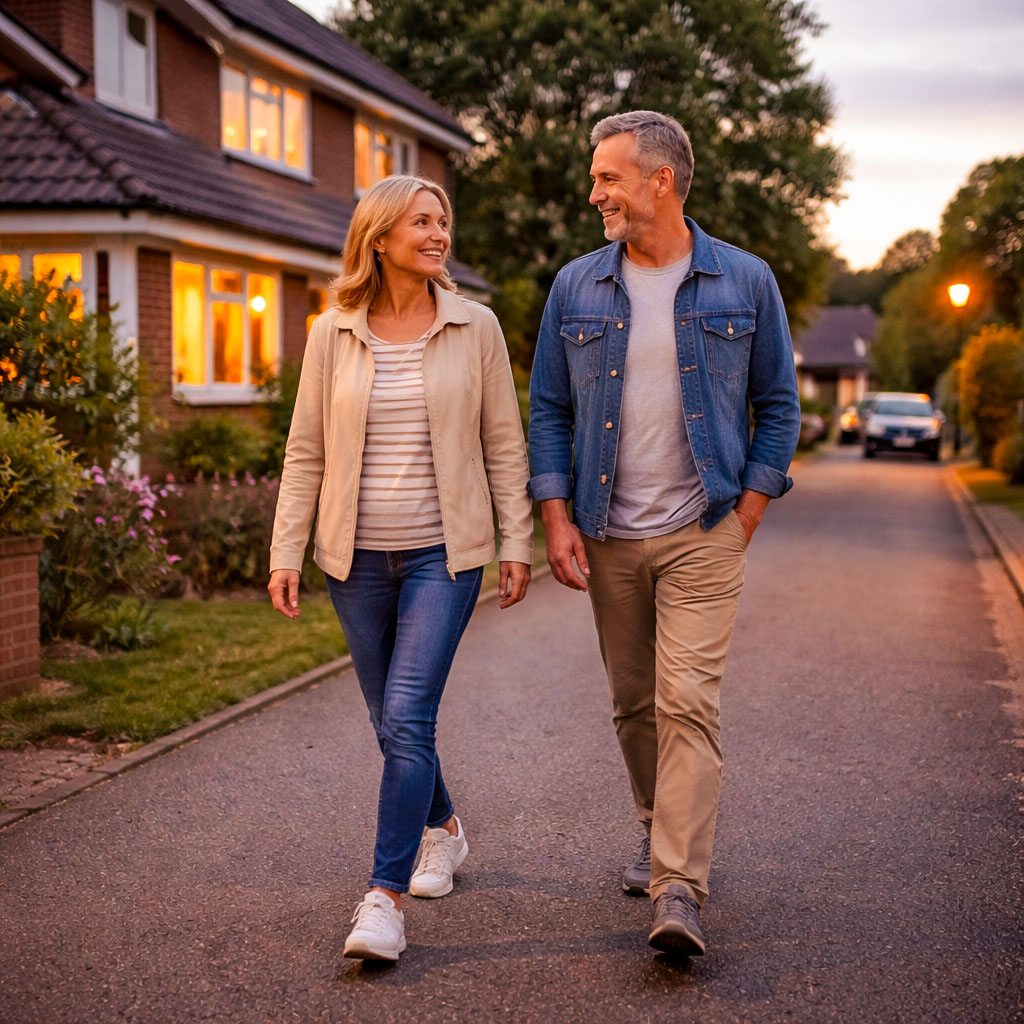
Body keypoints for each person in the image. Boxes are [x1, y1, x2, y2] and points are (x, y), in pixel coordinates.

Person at [528, 111, 800, 956]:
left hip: (703, 528)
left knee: (688, 702)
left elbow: (779, 404)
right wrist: (558, 516)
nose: (594, 192)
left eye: (608, 176)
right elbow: (549, 407)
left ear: (661, 180)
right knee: (634, 703)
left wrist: (748, 511)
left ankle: (678, 885)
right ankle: (656, 828)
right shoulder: (576, 286)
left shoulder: (744, 281)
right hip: (608, 532)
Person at [268, 174, 533, 963]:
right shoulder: (332, 331)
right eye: (422, 221)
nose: (439, 233)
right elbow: (305, 449)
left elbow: (504, 442)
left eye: (443, 220)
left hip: (440, 558)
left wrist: (515, 540)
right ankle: (444, 830)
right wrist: (287, 548)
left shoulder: (473, 326)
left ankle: (382, 898)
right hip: (353, 561)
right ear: (379, 237)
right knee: (392, 722)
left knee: (409, 715)